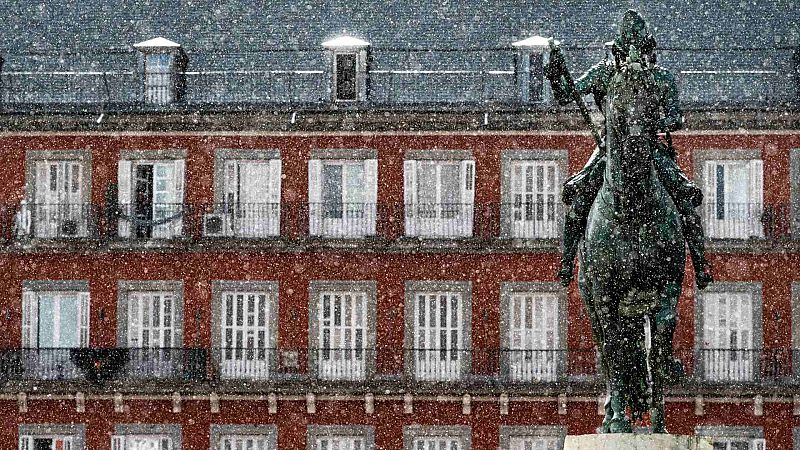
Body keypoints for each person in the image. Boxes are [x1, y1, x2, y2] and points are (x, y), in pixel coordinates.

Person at [547, 9, 713, 290]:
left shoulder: (660, 78)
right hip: (609, 149)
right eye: (628, 48)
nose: (633, 54)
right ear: (618, 49)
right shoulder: (603, 74)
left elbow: (676, 117)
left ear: (647, 48)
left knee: (683, 199)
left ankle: (700, 264)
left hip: (650, 148)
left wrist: (654, 123)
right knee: (580, 198)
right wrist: (553, 75)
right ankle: (567, 262)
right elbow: (568, 96)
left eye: (639, 47)